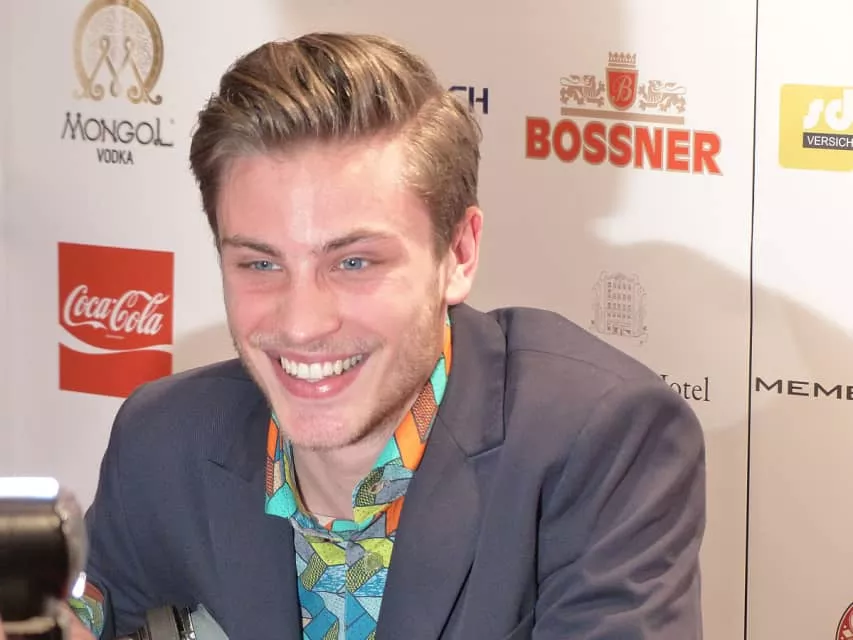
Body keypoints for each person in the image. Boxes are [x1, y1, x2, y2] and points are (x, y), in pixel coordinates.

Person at [68, 32, 706, 640]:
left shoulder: (600, 443)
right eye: (261, 264)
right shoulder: (164, 440)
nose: (301, 323)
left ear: (458, 254)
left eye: (354, 262)